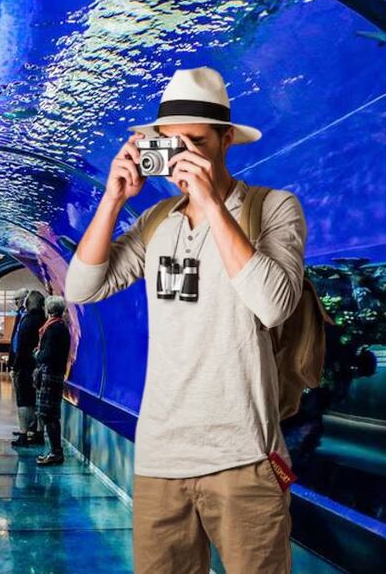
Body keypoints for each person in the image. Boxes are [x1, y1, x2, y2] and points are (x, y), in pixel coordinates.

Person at [64, 66, 303, 573]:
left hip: (244, 456)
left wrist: (213, 205)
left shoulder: (274, 206)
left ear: (225, 140)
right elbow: (80, 288)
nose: (183, 155)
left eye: (196, 141)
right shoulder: (156, 221)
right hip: (159, 458)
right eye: (173, 143)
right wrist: (112, 199)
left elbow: (275, 304)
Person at [33, 296, 70, 466]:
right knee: (49, 415)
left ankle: (56, 452)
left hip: (50, 374)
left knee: (49, 415)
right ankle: (54, 451)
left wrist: (37, 355)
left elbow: (48, 354)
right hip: (54, 373)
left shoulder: (54, 328)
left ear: (49, 310)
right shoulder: (59, 326)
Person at [9, 290, 44, 447]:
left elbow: (21, 346)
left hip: (25, 366)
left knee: (23, 401)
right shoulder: (44, 320)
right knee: (37, 400)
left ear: (27, 303)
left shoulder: (27, 320)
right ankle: (38, 431)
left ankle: (23, 434)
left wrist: (14, 367)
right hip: (39, 365)